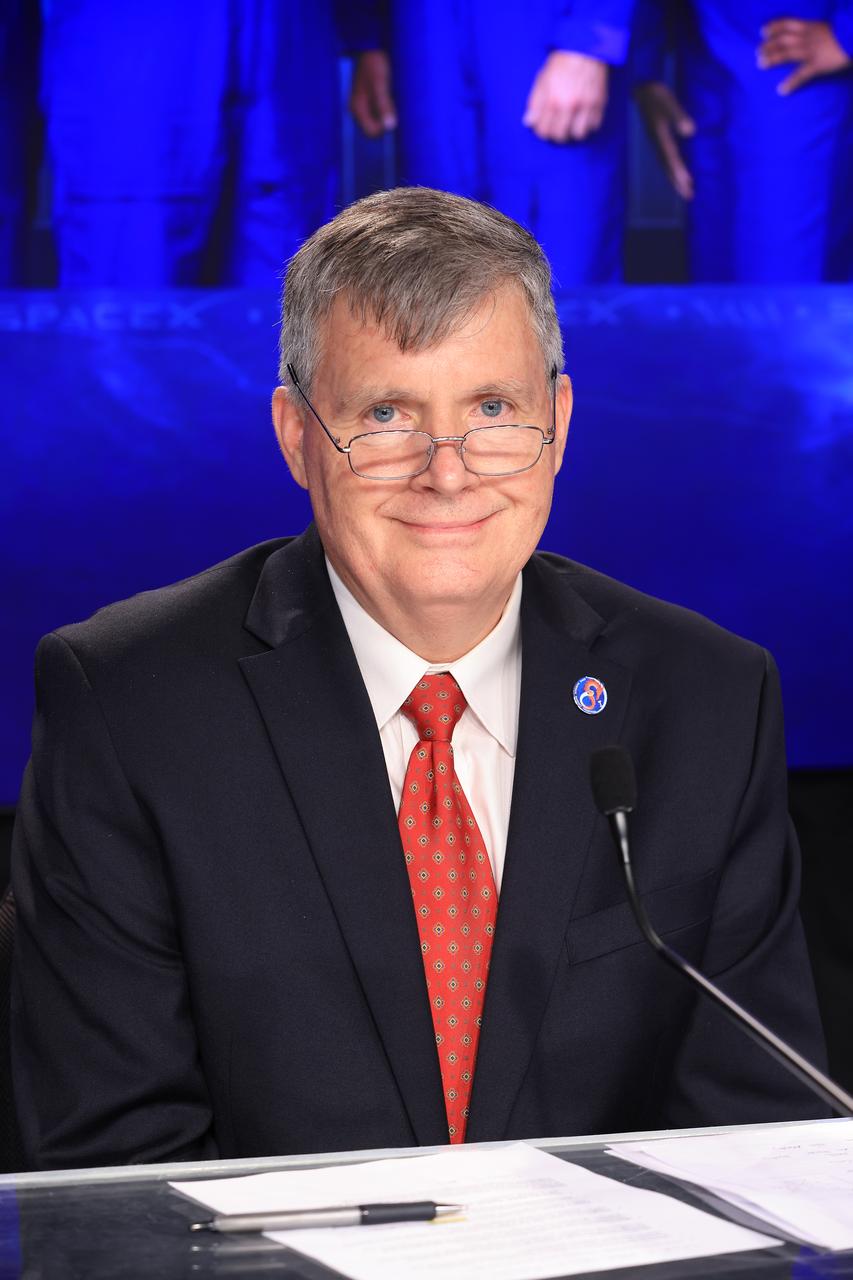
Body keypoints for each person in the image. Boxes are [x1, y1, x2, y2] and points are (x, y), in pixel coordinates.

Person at [12, 187, 827, 1170]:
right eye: (387, 413)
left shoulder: (709, 701)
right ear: (297, 434)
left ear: (557, 422)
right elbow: (114, 1167)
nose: (447, 470)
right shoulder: (131, 705)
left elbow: (757, 1146)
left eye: (492, 408)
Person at [40, 0, 340, 286]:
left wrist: (365, 36)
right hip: (131, 31)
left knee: (281, 243)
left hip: (286, 33)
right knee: (133, 262)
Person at [347, 1, 639, 284]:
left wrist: (591, 33)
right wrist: (370, 39)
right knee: (434, 254)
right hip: (424, 28)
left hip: (542, 23)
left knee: (560, 269)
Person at [632, 1, 853, 282]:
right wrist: (647, 66)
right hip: (703, 47)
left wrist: (847, 35)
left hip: (792, 50)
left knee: (784, 284)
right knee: (715, 288)